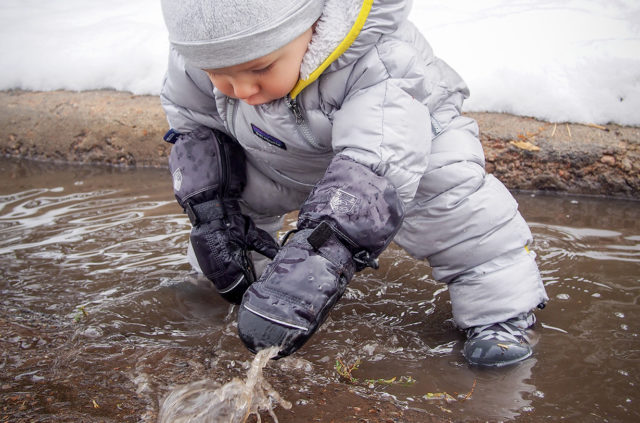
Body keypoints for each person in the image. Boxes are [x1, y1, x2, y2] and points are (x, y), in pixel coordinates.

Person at [159, 0, 549, 367]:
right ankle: (242, 278)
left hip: (401, 151)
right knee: (232, 199)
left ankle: (501, 313)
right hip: (276, 150)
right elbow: (195, 126)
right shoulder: (199, 56)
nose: (241, 90)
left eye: (260, 68)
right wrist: (212, 210)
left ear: (312, 26)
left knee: (454, 208)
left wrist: (321, 253)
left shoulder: (378, 61)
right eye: (218, 75)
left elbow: (375, 168)